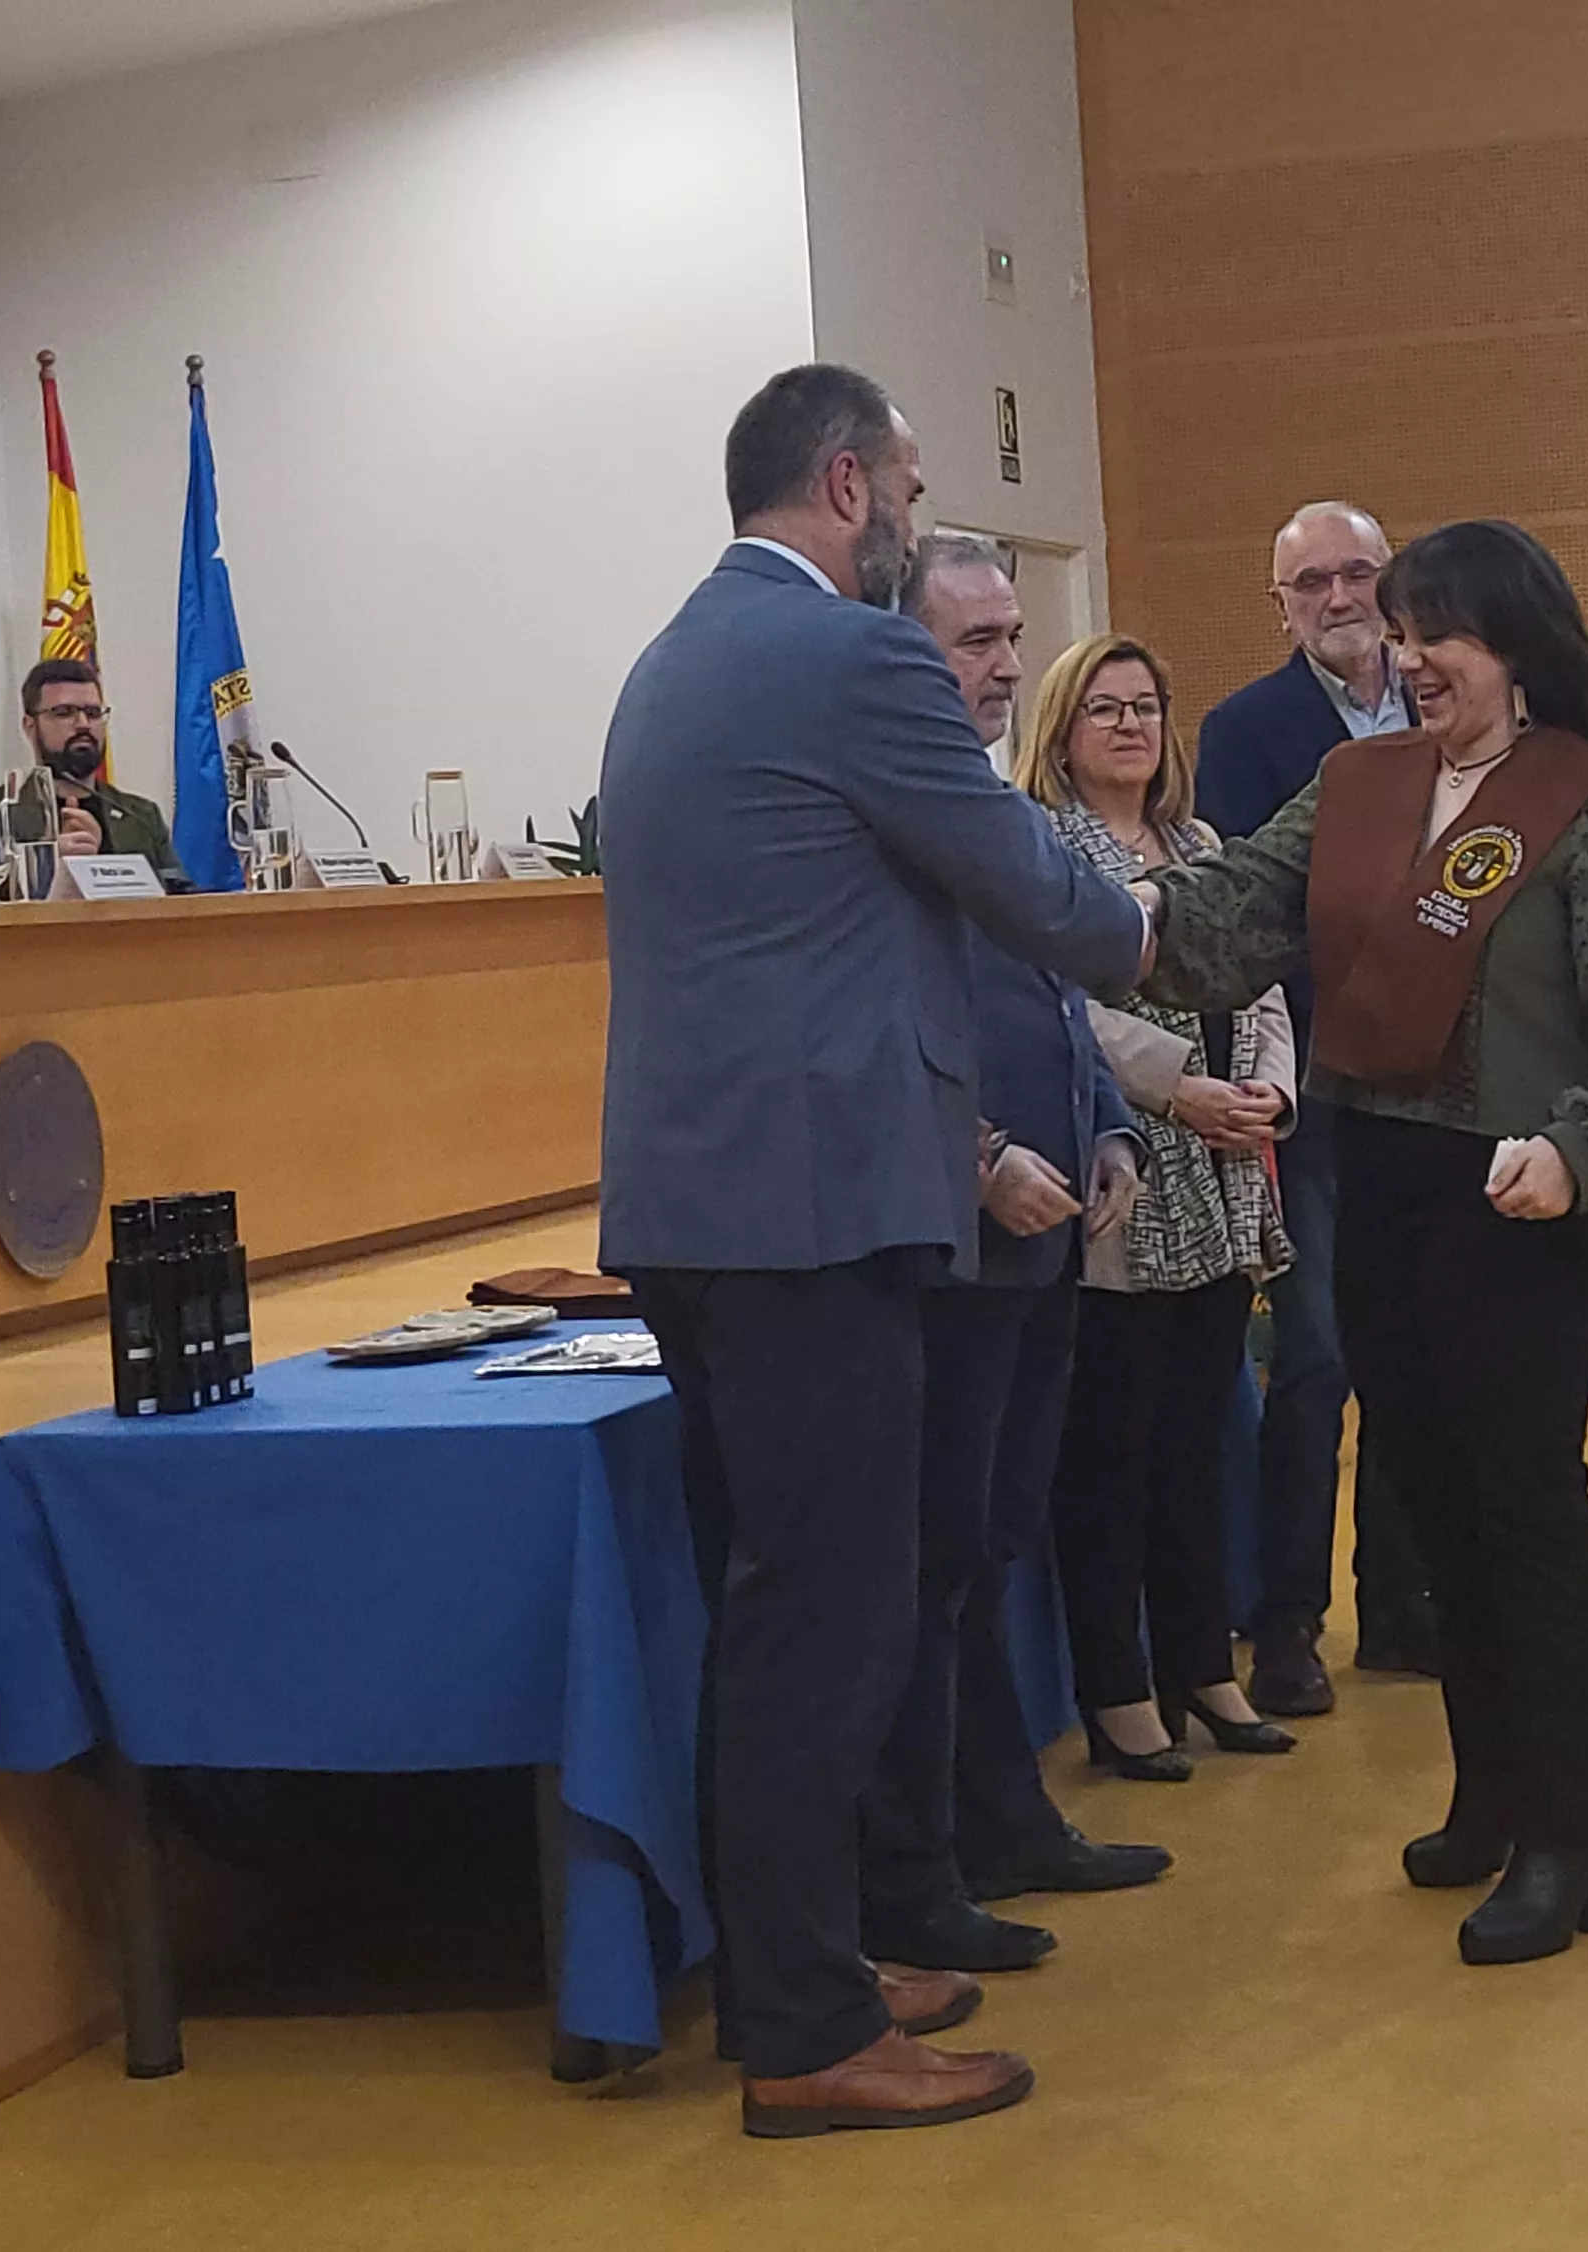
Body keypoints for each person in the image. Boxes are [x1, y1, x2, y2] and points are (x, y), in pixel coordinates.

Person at [598, 364, 1147, 2138]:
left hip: (706, 1206)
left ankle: (804, 1959)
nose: (915, 510)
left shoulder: (677, 651)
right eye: (907, 481)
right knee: (826, 1620)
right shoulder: (852, 656)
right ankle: (807, 2032)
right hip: (816, 1209)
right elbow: (1034, 890)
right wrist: (1161, 924)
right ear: (847, 486)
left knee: (782, 1605)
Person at [1135, 520, 1588, 1966]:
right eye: (1400, 636)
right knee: (1433, 1504)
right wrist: (1096, 910)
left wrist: (1578, 1152)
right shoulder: (1361, 784)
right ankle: (1494, 1789)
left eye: (1433, 633)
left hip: (1528, 1195)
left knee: (1524, 1504)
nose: (1407, 660)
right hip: (1379, 1173)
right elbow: (1228, 915)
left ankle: (1576, 1824)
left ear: (1515, 643)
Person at [859, 531, 1175, 1977]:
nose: (1002, 665)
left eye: (1008, 637)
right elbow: (890, 1025)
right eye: (973, 640)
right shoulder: (892, 817)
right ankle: (927, 1862)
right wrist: (983, 1157)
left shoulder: (998, 807)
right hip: (957, 1242)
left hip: (1053, 1237)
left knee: (991, 1548)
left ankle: (1004, 1817)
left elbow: (1057, 1001)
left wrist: (1109, 1129)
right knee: (935, 1561)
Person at [1018, 633, 1305, 1781]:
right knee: (1113, 1453)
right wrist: (1175, 1086)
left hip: (1226, 1173)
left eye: (1145, 705)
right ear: (1061, 730)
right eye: (1105, 707)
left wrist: (1269, 1090)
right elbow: (1056, 1009)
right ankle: (1118, 1691)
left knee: (1200, 1446)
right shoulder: (1044, 853)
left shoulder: (1202, 847)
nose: (1130, 725)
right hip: (1127, 1170)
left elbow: (1262, 977)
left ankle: (1202, 1668)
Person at [1195, 501, 1438, 1707]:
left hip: (1440, 1086)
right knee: (1313, 1354)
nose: (1338, 599)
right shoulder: (1244, 732)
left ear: (1391, 585)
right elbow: (1244, 909)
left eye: (1356, 575)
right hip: (1318, 1083)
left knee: (1417, 1348)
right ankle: (1287, 1616)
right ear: (1280, 606)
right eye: (1312, 584)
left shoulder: (1448, 704)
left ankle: (1403, 1602)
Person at [0, 658, 182, 879]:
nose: (83, 724)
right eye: (64, 712)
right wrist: (47, 862)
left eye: (93, 713)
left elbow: (177, 892)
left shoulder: (141, 816)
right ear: (30, 726)